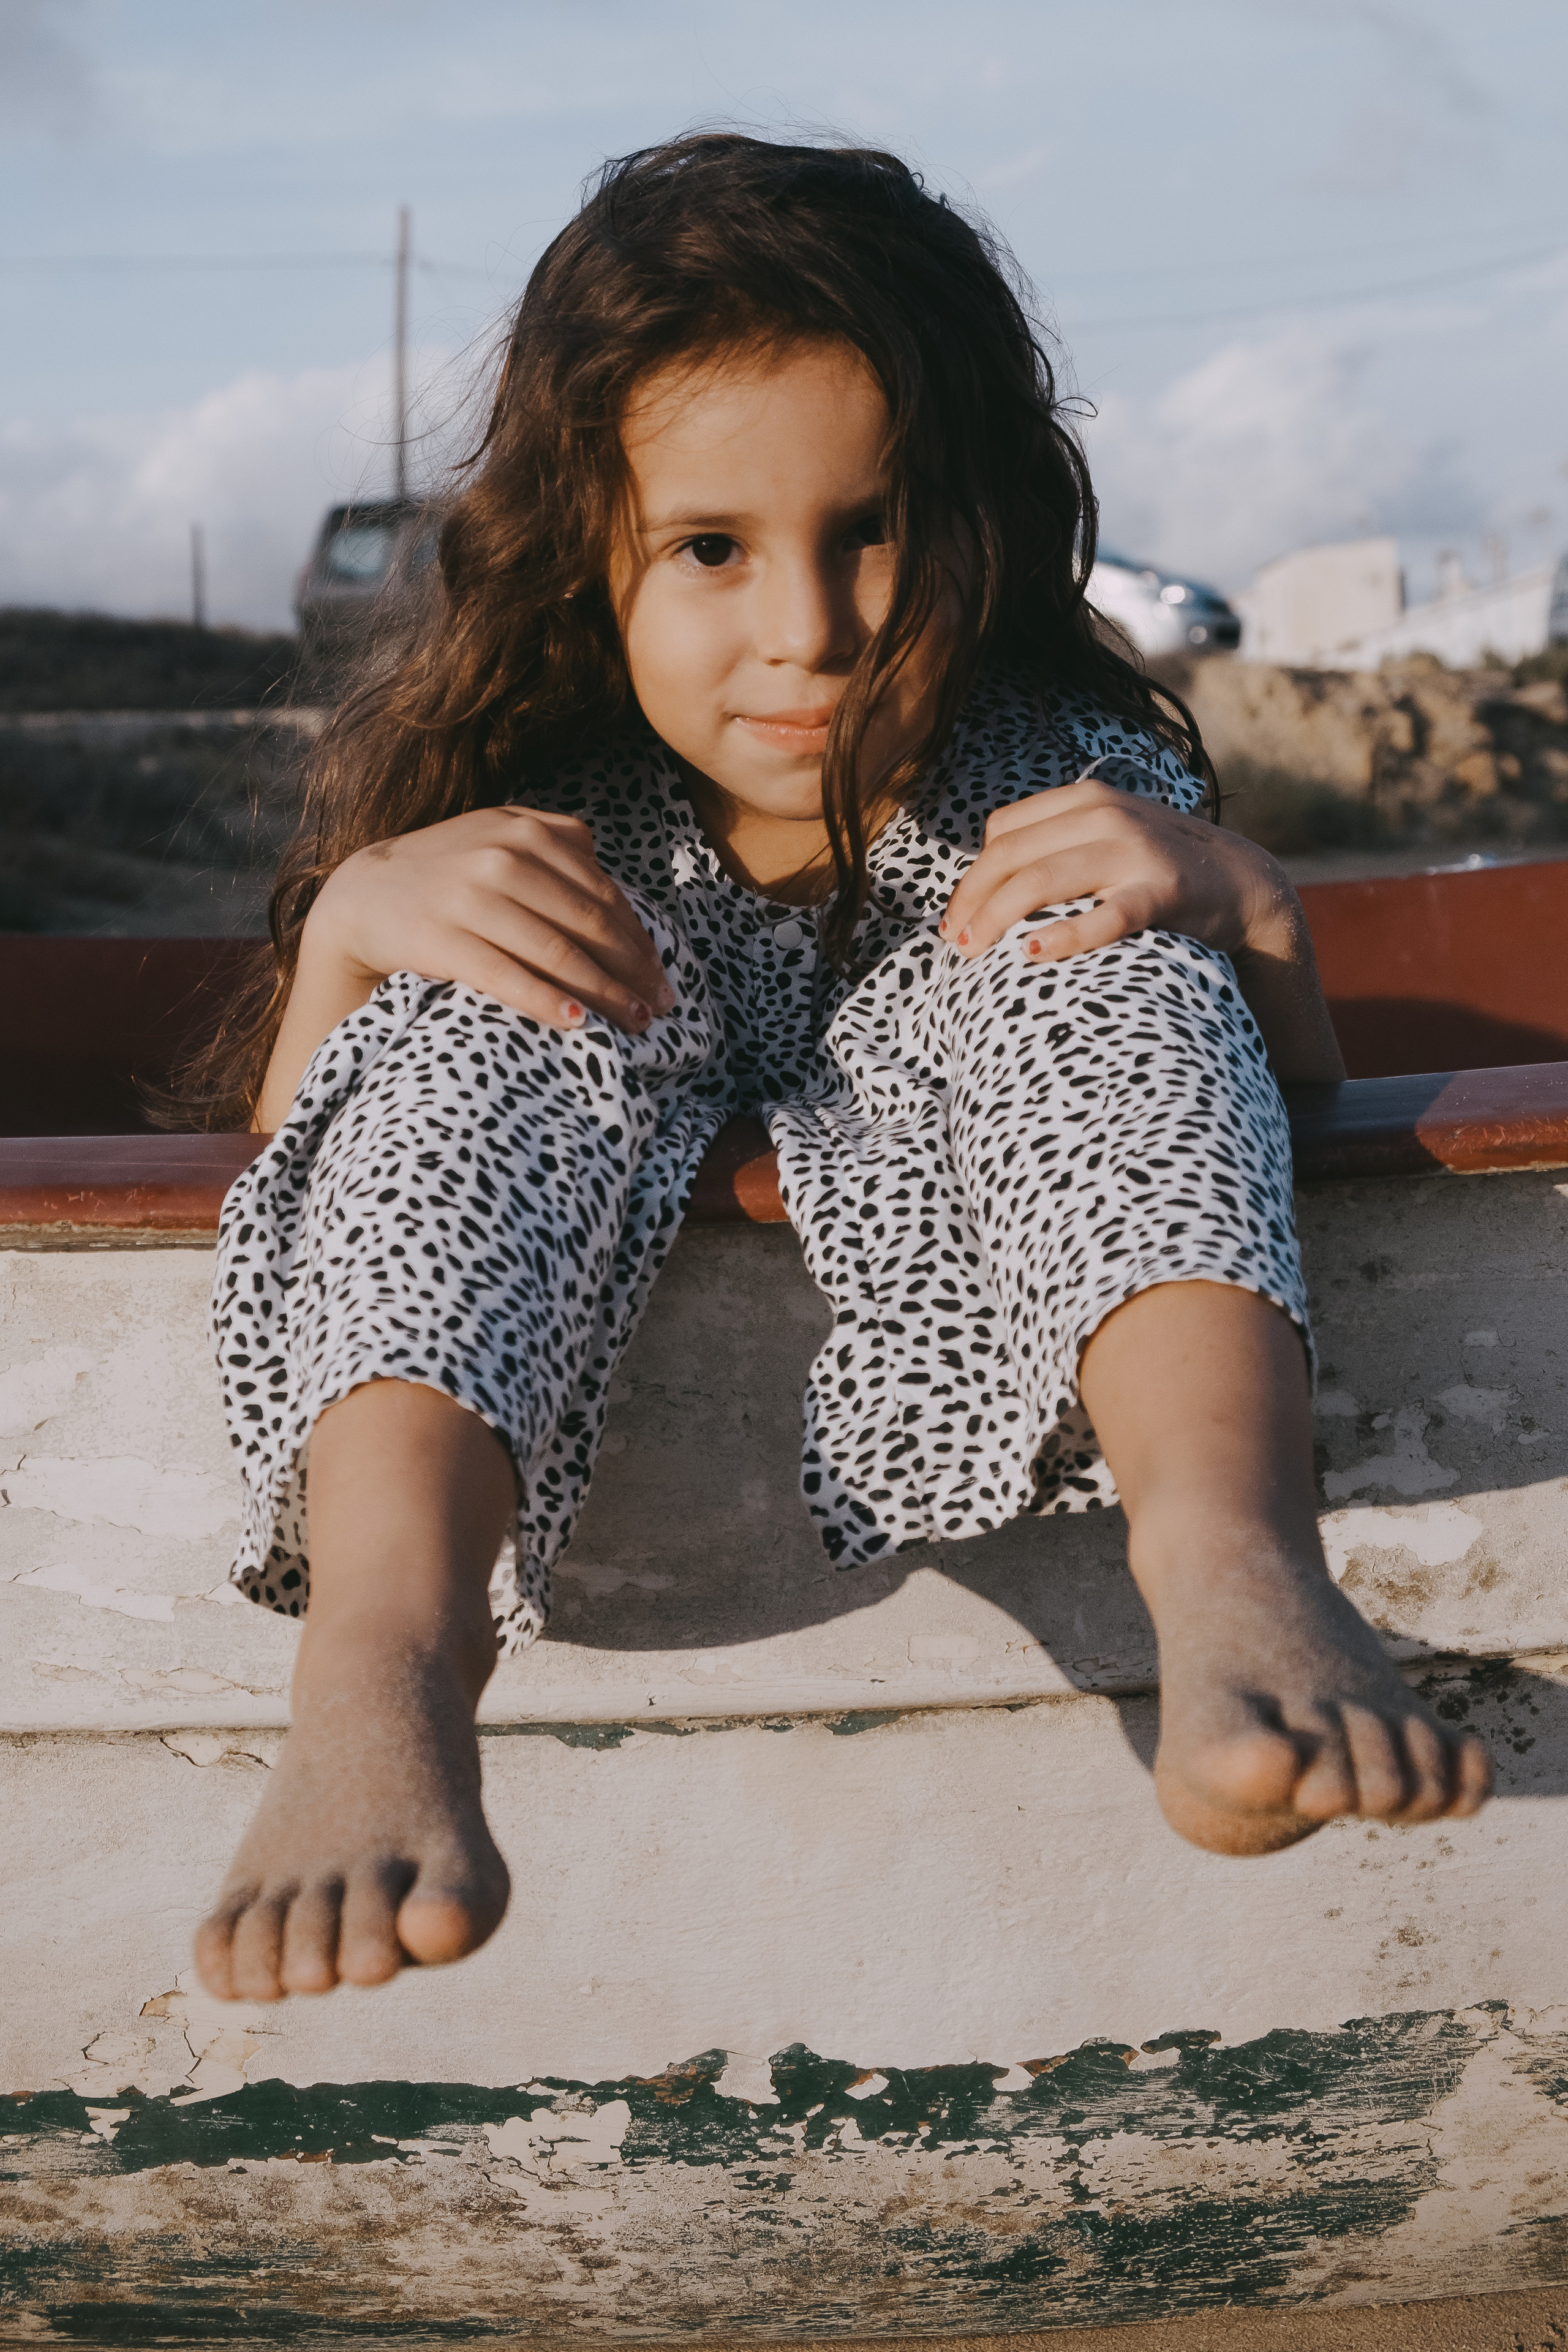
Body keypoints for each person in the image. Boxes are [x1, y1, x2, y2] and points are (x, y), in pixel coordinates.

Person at [188, 134, 1490, 2005]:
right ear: (588, 555)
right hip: (591, 1060)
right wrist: (345, 937)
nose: (808, 630)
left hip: (1040, 1071)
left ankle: (1229, 1570)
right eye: (711, 550)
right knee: (464, 1016)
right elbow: (310, 1185)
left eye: (869, 530)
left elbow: (1246, 1130)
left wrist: (1258, 921)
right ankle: (380, 1675)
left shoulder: (1048, 773)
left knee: (1111, 953)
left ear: (970, 516)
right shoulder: (536, 820)